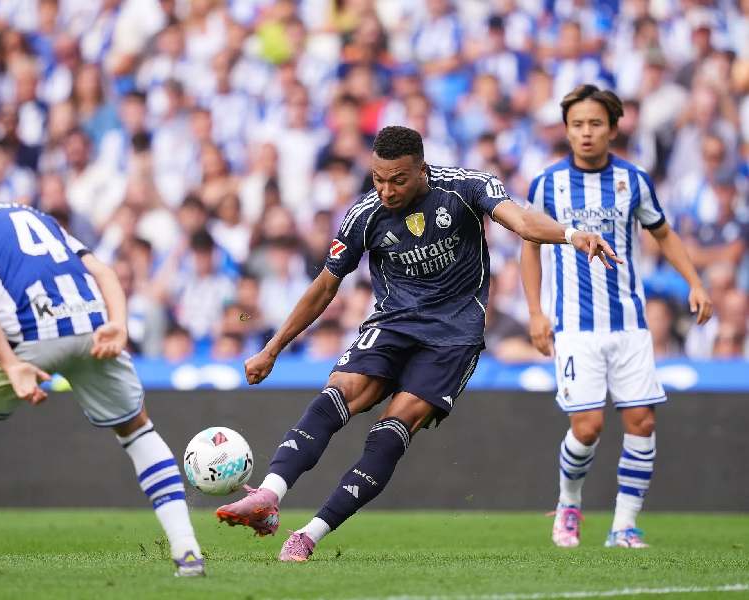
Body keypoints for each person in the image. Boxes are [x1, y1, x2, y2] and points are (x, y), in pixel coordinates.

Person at [216, 125, 621, 561]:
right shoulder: (365, 214)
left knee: (392, 429)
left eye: (398, 180)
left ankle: (309, 534)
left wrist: (570, 235)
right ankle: (269, 496)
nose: (386, 191)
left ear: (422, 170)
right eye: (378, 179)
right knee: (338, 392)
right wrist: (273, 347)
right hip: (393, 324)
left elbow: (521, 221)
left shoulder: (466, 187)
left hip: (453, 335)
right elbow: (325, 286)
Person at [0, 150, 205, 578]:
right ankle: (187, 551)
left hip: (30, 331)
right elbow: (102, 271)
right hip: (92, 325)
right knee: (138, 430)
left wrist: (10, 363)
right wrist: (118, 323)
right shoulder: (36, 215)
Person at [520, 85, 713, 550]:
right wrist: (536, 312)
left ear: (612, 128)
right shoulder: (547, 184)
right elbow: (530, 245)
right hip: (574, 326)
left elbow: (663, 233)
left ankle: (624, 526)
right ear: (567, 131)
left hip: (629, 324)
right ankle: (569, 503)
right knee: (587, 428)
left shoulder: (634, 180)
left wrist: (695, 281)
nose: (586, 132)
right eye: (577, 124)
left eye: (595, 123)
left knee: (642, 422)